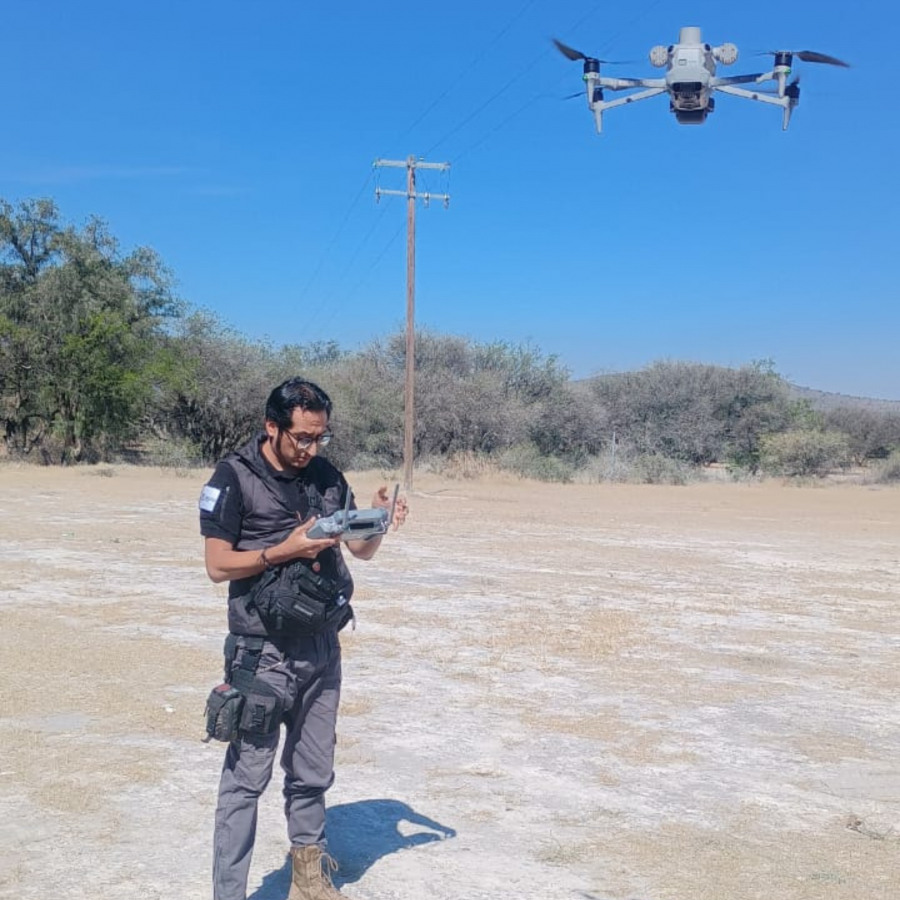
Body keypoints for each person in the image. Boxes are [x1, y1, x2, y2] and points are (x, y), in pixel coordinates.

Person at [199, 377, 408, 900]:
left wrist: (378, 521)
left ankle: (310, 882)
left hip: (321, 647)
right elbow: (217, 565)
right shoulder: (234, 478)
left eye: (321, 438)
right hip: (260, 653)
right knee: (246, 781)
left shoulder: (327, 476)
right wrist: (284, 550)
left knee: (314, 771)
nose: (311, 449)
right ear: (272, 427)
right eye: (303, 438)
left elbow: (360, 552)